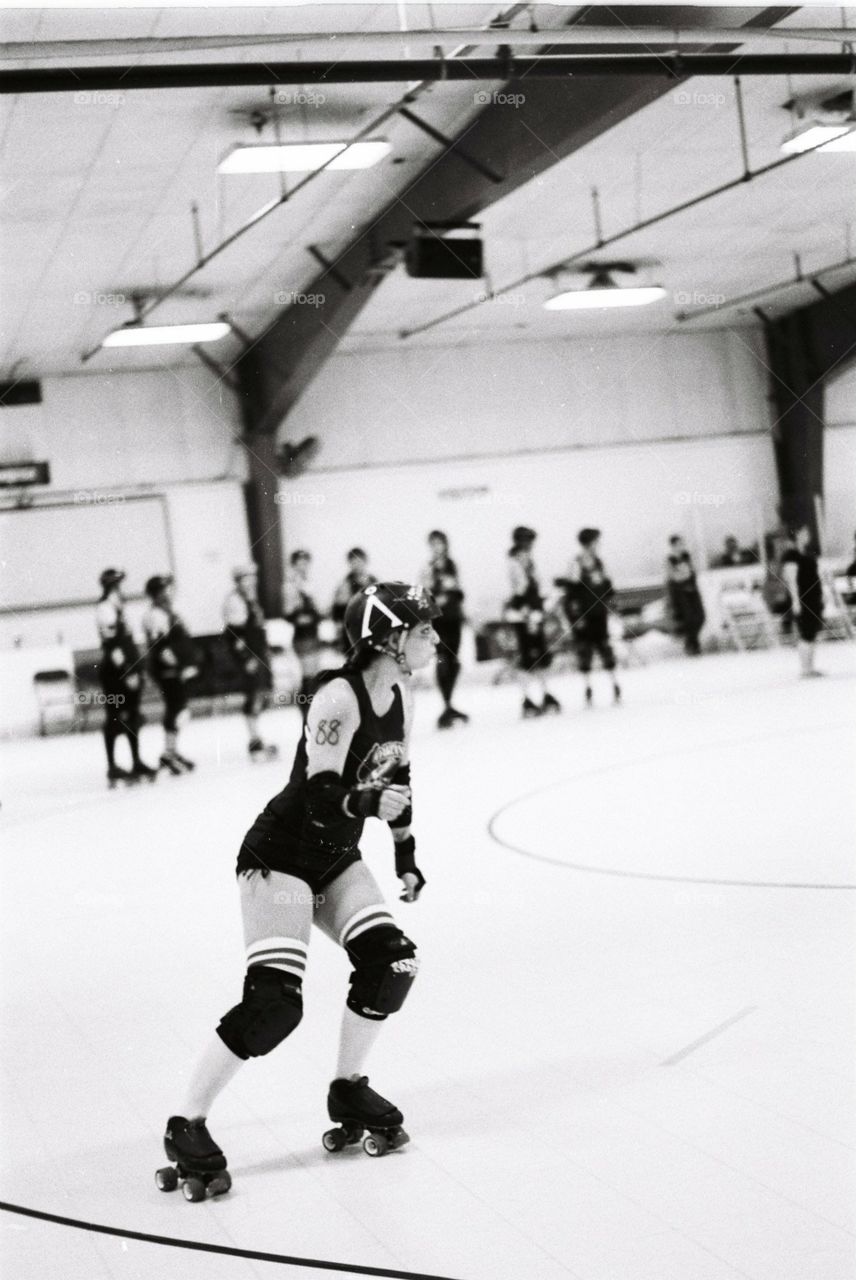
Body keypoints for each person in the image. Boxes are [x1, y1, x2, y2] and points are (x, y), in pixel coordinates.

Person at [159, 582, 439, 1195]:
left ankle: (347, 1089)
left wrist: (407, 855)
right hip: (279, 857)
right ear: (388, 639)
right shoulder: (337, 696)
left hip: (335, 857)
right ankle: (186, 1123)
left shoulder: (404, 694)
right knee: (275, 1005)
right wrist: (370, 801)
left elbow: (399, 772)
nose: (434, 639)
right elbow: (319, 793)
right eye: (423, 631)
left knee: (392, 962)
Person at [95, 568, 157, 787]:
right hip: (116, 672)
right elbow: (111, 645)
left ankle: (136, 761)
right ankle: (112, 766)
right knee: (115, 716)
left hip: (127, 668)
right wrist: (127, 672)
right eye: (119, 585)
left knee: (132, 715)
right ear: (113, 587)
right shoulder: (105, 608)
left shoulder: (117, 608)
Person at [142, 575, 199, 775]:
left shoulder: (168, 612)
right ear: (158, 593)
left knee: (178, 709)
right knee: (177, 709)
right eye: (166, 589)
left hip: (173, 668)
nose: (170, 592)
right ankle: (168, 754)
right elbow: (161, 647)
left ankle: (171, 752)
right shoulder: (155, 615)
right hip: (167, 669)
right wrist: (179, 666)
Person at [223, 566, 278, 761]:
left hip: (259, 653)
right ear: (238, 581)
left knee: (263, 694)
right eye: (246, 578)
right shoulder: (235, 601)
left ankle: (257, 739)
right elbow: (234, 635)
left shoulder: (249, 599)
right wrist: (246, 659)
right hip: (250, 657)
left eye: (252, 577)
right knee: (254, 696)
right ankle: (254, 742)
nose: (251, 581)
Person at [562, 528, 621, 707]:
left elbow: (608, 587)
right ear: (589, 543)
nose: (599, 545)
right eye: (597, 542)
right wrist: (575, 616)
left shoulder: (599, 563)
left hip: (599, 612)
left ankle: (614, 685)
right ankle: (588, 689)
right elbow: (570, 591)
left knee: (605, 647)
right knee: (585, 651)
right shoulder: (576, 563)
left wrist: (611, 601)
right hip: (584, 614)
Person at [505, 526, 560, 718]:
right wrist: (529, 611)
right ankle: (529, 698)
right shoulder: (517, 562)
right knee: (530, 656)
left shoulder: (526, 561)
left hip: (530, 611)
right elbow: (521, 589)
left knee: (537, 654)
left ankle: (542, 694)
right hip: (526, 613)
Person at [421, 530, 468, 729]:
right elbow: (423, 595)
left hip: (453, 618)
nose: (437, 547)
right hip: (438, 620)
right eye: (433, 544)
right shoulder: (428, 568)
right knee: (442, 660)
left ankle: (450, 703)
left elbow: (460, 592)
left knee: (455, 662)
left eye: (440, 543)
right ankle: (446, 705)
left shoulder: (452, 565)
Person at [283, 550, 323, 718]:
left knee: (313, 676)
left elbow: (320, 610)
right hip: (302, 635)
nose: (303, 567)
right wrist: (306, 615)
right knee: (308, 678)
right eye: (299, 563)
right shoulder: (291, 585)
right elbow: (289, 613)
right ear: (293, 565)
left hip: (313, 633)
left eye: (305, 563)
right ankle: (306, 714)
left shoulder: (311, 583)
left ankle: (311, 713)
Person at [781, 524, 825, 676]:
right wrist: (795, 602)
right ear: (797, 534)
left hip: (814, 598)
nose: (808, 535)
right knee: (806, 633)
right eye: (805, 532)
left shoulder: (807, 553)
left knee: (812, 632)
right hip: (802, 599)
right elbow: (791, 580)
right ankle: (805, 669)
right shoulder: (791, 555)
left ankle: (810, 667)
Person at [665, 536, 706, 656]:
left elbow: (693, 571)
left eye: (682, 544)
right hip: (679, 593)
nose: (681, 546)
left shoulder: (686, 556)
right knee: (688, 617)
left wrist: (685, 573)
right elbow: (673, 577)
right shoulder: (669, 559)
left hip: (692, 590)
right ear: (673, 546)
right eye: (678, 544)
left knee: (700, 616)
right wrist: (685, 573)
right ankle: (693, 644)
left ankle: (691, 641)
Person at [332, 549, 376, 651]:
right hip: (352, 634)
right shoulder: (345, 584)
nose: (356, 565)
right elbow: (338, 612)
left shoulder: (373, 581)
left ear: (365, 561)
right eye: (353, 562)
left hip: (372, 631)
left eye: (359, 561)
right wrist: (338, 636)